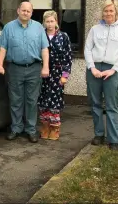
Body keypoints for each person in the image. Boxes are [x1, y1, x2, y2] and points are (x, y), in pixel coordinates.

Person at [0, 2, 50, 143]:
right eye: (23, 10)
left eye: (28, 11)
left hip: (34, 68)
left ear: (31, 13)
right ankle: (16, 128)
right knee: (16, 100)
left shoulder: (38, 28)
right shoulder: (9, 27)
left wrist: (46, 67)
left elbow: (44, 49)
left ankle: (31, 130)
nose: (26, 13)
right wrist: (0, 64)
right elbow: (2, 48)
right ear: (18, 10)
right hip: (15, 68)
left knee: (32, 100)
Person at [84, 0, 118, 151]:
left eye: (111, 11)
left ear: (116, 12)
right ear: (102, 12)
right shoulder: (94, 29)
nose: (108, 13)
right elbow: (87, 49)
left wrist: (113, 69)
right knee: (95, 104)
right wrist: (92, 68)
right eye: (106, 11)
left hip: (112, 70)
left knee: (111, 106)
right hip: (95, 69)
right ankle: (99, 135)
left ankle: (114, 140)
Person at [37, 11, 73, 140]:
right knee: (43, 99)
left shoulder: (63, 36)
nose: (50, 24)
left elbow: (68, 57)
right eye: (47, 21)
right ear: (44, 23)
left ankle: (55, 128)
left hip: (57, 73)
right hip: (43, 72)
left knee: (55, 100)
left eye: (52, 21)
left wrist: (65, 75)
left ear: (56, 21)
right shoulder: (40, 36)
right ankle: (45, 127)